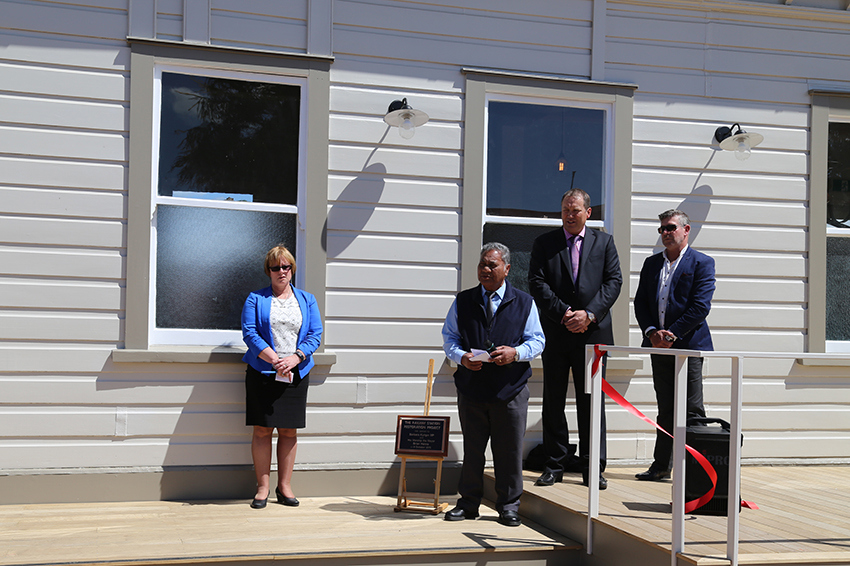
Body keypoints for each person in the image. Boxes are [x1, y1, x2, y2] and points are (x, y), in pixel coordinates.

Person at [441, 243, 545, 527]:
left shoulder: (524, 302)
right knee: (473, 449)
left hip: (510, 389)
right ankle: (469, 503)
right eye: (482, 264)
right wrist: (461, 357)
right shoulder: (464, 300)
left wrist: (515, 353)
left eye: (492, 265)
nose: (485, 270)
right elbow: (449, 338)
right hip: (472, 387)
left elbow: (537, 341)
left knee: (509, 451)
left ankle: (509, 505)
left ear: (507, 268)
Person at [528, 188, 622, 490]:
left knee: (591, 402)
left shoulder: (604, 243)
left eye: (576, 210)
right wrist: (565, 313)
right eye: (566, 209)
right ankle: (555, 464)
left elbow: (613, 282)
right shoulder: (545, 243)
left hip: (593, 336)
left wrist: (589, 315)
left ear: (588, 212)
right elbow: (537, 282)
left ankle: (593, 466)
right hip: (557, 332)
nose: (570, 214)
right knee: (553, 400)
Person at [634, 210, 715, 481]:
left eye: (670, 228)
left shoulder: (702, 263)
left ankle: (693, 469)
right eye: (662, 230)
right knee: (665, 408)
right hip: (658, 347)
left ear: (686, 229)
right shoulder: (652, 264)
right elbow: (641, 303)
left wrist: (672, 335)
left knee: (692, 410)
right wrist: (651, 332)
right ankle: (661, 466)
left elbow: (700, 307)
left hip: (688, 347)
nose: (666, 233)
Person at [241, 245, 323, 508]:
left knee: (289, 431)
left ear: (292, 269)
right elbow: (249, 333)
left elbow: (315, 335)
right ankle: (262, 487)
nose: (281, 272)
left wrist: (296, 357)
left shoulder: (307, 300)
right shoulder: (256, 298)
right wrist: (274, 358)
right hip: (263, 371)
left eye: (286, 266)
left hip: (295, 373)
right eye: (276, 267)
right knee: (262, 430)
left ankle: (284, 486)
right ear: (268, 271)